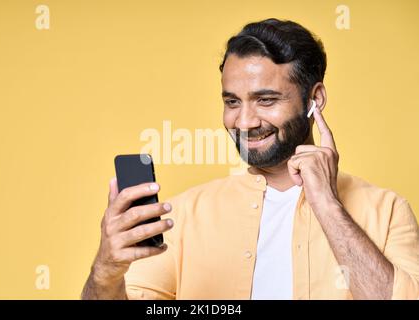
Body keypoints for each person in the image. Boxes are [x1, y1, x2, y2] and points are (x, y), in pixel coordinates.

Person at [81, 18, 419, 300]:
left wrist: (329, 206)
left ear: (314, 99)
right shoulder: (181, 217)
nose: (244, 122)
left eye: (265, 100)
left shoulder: (387, 212)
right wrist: (106, 272)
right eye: (232, 102)